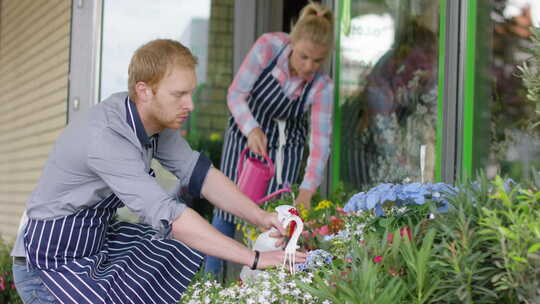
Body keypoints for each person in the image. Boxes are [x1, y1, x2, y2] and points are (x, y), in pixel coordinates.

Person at [10, 39, 305, 304]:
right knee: (172, 235)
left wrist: (260, 216)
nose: (189, 104)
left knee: (168, 251)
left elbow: (200, 175)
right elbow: (168, 215)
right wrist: (254, 258)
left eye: (191, 92)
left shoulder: (152, 122)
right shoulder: (107, 136)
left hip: (90, 246)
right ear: (144, 90)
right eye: (179, 94)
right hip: (47, 266)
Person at [206, 2, 334, 278]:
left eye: (317, 61)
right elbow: (236, 94)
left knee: (276, 216)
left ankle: (263, 282)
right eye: (303, 57)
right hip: (246, 132)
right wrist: (251, 129)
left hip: (287, 144)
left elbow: (320, 142)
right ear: (293, 41)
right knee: (227, 207)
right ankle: (211, 281)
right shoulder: (267, 47)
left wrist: (307, 190)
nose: (309, 66)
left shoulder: (323, 85)